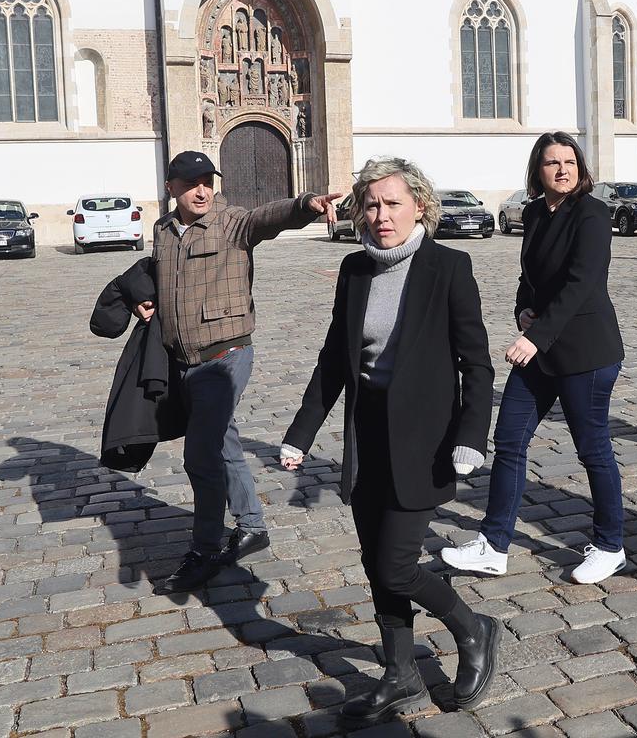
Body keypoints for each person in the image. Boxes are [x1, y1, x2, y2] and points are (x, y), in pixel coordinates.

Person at [280, 157, 498, 720]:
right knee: (374, 560)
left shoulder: (448, 267)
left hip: (424, 442)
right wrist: (301, 433)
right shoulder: (355, 270)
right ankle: (400, 673)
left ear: (419, 205)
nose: (381, 215)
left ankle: (472, 628)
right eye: (371, 204)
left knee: (398, 564)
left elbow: (476, 363)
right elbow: (335, 360)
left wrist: (472, 435)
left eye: (392, 203)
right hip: (366, 437)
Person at [143, 150, 342, 595]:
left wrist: (305, 204)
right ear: (171, 187)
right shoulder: (162, 229)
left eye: (207, 182)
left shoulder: (231, 222)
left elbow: (267, 217)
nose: (202, 191)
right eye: (191, 183)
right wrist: (146, 301)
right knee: (224, 440)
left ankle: (206, 550)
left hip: (226, 355)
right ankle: (252, 524)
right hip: (184, 358)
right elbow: (160, 277)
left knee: (202, 455)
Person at [441, 131, 627, 585]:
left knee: (593, 450)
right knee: (509, 441)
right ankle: (494, 544)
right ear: (537, 170)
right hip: (543, 351)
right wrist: (522, 308)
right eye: (552, 163)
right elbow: (532, 275)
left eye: (570, 161)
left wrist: (534, 338)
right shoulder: (534, 213)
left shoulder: (593, 213)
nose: (562, 170)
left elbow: (582, 283)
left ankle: (610, 545)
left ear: (581, 167)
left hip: (586, 351)